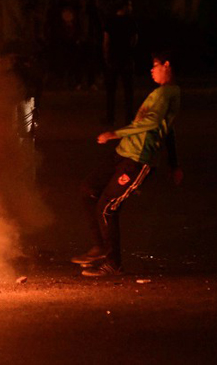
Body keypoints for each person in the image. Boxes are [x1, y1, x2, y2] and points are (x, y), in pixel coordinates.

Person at [72, 51, 182, 276]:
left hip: (138, 161)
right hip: (122, 155)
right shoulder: (159, 93)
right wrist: (174, 163)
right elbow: (167, 131)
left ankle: (113, 263)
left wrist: (115, 133)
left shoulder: (168, 94)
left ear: (167, 65)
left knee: (107, 207)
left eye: (155, 65)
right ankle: (100, 247)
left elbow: (152, 124)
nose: (151, 70)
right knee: (88, 190)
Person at [103, 0, 138, 125]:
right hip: (126, 58)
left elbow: (106, 41)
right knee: (128, 90)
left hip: (113, 59)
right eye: (129, 5)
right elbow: (134, 40)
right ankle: (129, 117)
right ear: (124, 7)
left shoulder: (110, 21)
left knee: (111, 91)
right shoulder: (130, 21)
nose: (131, 8)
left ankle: (110, 117)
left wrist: (106, 56)